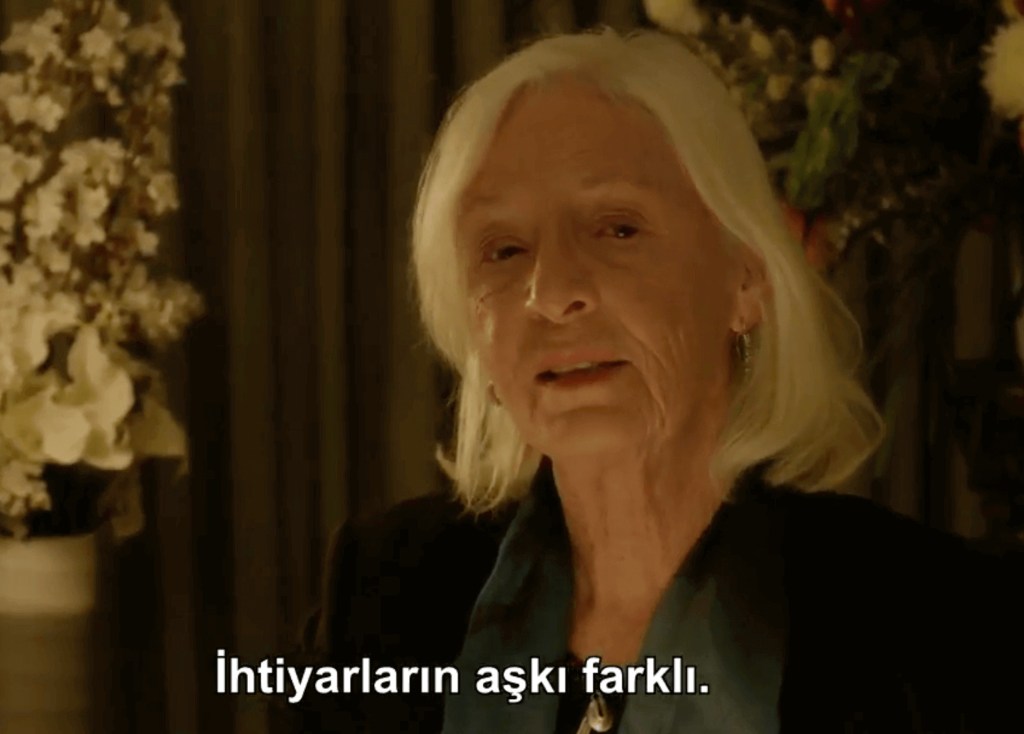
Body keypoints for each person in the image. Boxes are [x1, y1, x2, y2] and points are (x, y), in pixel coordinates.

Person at [287, 28, 1023, 733]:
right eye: (503, 250)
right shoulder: (380, 597)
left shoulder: (944, 631)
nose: (552, 292)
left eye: (617, 228)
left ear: (744, 279)